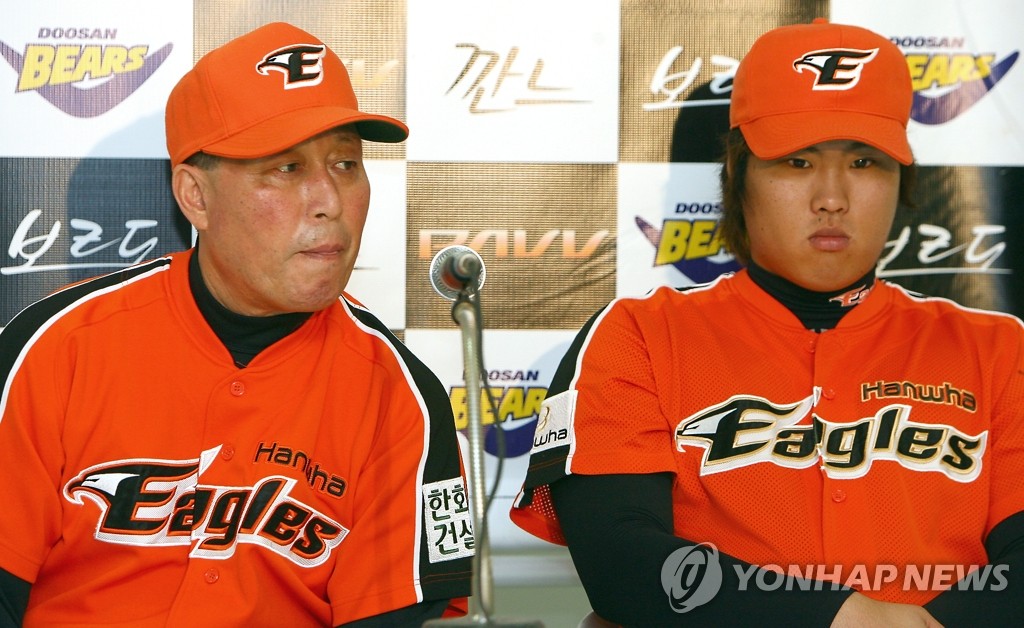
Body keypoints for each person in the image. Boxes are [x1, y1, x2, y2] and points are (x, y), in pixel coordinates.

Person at [510, 18, 1024, 627]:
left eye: (864, 161)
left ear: (902, 180)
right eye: (797, 161)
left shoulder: (999, 349)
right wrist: (844, 620)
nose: (831, 197)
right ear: (737, 172)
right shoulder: (639, 335)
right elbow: (620, 561)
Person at [0, 22, 473, 627]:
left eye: (346, 163)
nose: (329, 200)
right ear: (195, 196)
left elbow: (394, 617)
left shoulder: (400, 397)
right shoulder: (56, 346)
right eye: (286, 168)